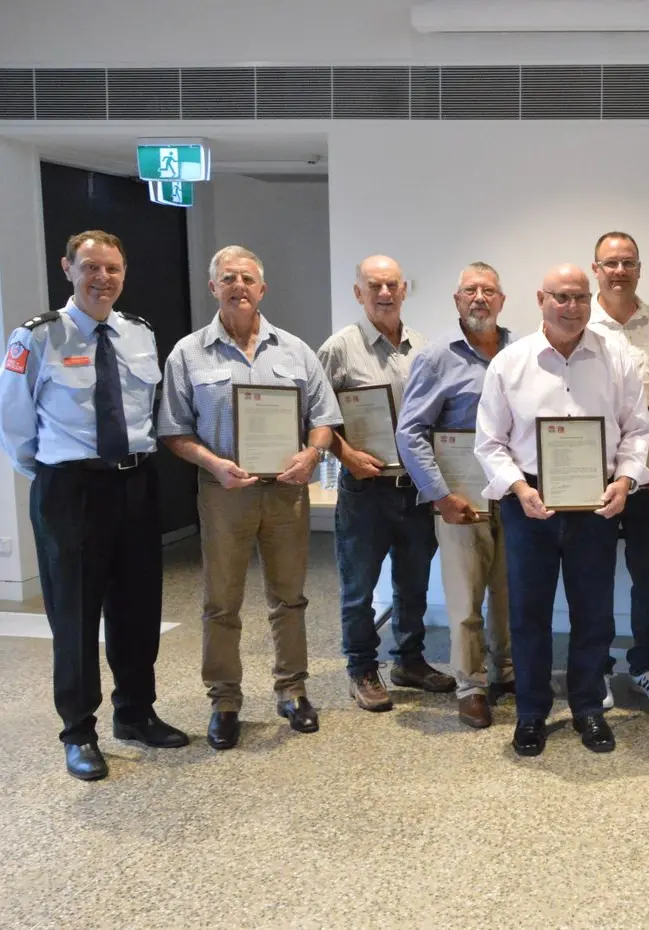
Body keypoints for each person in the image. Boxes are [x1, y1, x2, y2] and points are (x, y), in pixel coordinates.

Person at [0, 230, 188, 781]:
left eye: (112, 268)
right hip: (71, 489)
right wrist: (57, 473)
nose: (101, 278)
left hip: (134, 482)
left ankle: (135, 712)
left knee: (137, 607)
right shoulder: (36, 337)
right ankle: (78, 730)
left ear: (124, 273)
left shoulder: (139, 333)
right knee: (76, 614)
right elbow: (14, 425)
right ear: (68, 268)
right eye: (90, 267)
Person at [160, 245, 343, 750]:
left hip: (286, 494)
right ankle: (224, 700)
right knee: (221, 602)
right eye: (228, 278)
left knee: (290, 597)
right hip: (224, 494)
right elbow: (174, 431)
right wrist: (213, 463)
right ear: (212, 287)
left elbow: (324, 419)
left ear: (262, 289)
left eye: (247, 278)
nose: (238, 286)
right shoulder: (188, 353)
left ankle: (293, 690)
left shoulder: (296, 351)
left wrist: (310, 457)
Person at [475, 264, 649, 757]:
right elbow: (488, 443)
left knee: (594, 612)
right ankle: (531, 712)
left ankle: (589, 707)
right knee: (529, 614)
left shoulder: (616, 358)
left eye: (579, 297)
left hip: (596, 502)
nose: (572, 306)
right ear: (540, 300)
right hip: (529, 503)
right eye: (561, 297)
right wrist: (517, 487)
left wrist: (625, 479)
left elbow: (637, 429)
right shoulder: (510, 363)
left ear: (590, 300)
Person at [317, 255, 455, 714]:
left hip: (414, 488)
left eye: (392, 284)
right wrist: (345, 453)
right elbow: (313, 417)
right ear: (358, 292)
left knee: (413, 582)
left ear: (404, 289)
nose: (384, 293)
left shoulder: (426, 349)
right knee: (359, 587)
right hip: (366, 488)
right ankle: (360, 667)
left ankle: (409, 661)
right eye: (374, 285)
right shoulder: (339, 348)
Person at [397, 262, 517, 729]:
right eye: (471, 291)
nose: (480, 299)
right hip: (460, 498)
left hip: (513, 494)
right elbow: (411, 432)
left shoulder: (524, 352)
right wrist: (440, 495)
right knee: (466, 599)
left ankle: (506, 673)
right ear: (457, 300)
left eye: (489, 290)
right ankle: (470, 685)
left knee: (509, 593)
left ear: (502, 301)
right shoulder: (435, 359)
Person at [588, 231, 649, 707]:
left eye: (628, 262)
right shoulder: (578, 322)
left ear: (639, 268)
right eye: (610, 263)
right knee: (595, 575)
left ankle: (646, 664)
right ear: (596, 269)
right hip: (594, 478)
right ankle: (596, 669)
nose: (619, 270)